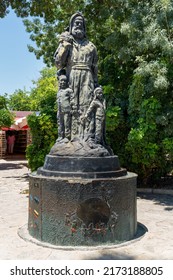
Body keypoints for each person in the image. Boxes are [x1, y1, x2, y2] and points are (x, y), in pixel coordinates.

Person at [54, 12, 99, 140]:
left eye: (81, 23)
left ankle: (87, 137)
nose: (78, 25)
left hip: (87, 78)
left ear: (84, 27)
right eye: (76, 23)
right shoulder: (65, 43)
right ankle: (69, 137)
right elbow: (58, 64)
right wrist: (65, 46)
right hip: (71, 77)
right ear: (71, 25)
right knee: (70, 108)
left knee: (87, 105)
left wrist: (96, 84)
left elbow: (95, 67)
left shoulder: (91, 46)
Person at [57, 74, 73, 141]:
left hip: (66, 109)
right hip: (59, 110)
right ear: (59, 82)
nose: (63, 82)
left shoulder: (69, 90)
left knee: (67, 123)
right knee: (60, 123)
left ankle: (67, 136)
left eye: (64, 81)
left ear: (66, 82)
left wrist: (72, 108)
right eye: (61, 81)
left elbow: (73, 99)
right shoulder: (59, 91)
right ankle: (60, 136)